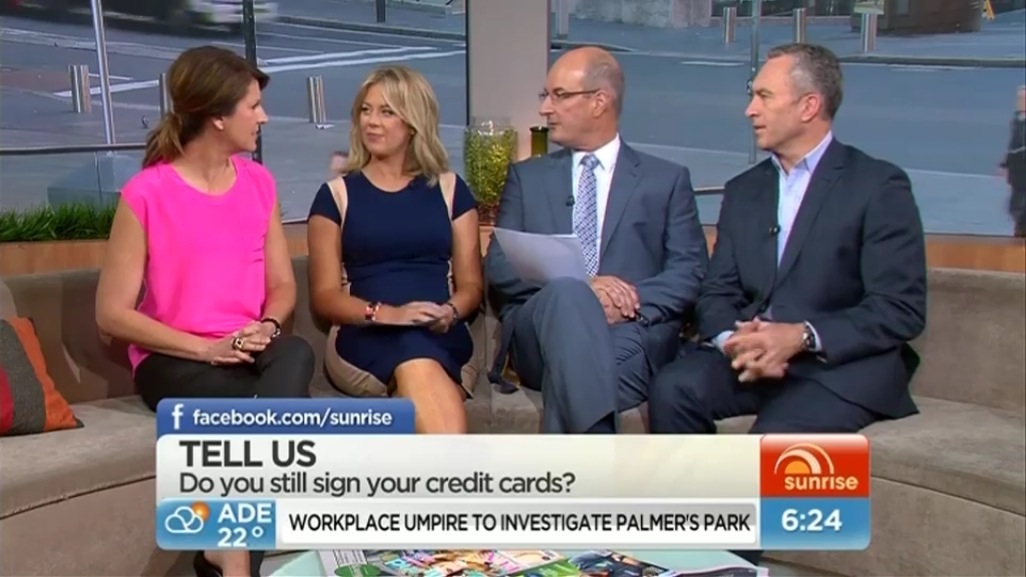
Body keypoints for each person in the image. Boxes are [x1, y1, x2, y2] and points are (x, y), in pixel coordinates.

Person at [648, 44, 927, 562]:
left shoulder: (877, 185)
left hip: (839, 367)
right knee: (673, 388)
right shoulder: (745, 190)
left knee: (773, 444)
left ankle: (727, 568)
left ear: (808, 106)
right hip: (755, 360)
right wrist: (735, 341)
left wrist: (800, 337)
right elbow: (717, 292)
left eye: (763, 96)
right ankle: (684, 551)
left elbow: (901, 308)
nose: (749, 109)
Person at [94, 45, 315, 577]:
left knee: (296, 353)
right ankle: (234, 560)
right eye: (253, 106)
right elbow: (111, 313)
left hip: (249, 348)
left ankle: (226, 553)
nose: (263, 117)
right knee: (272, 413)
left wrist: (265, 326)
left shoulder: (259, 184)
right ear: (218, 116)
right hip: (175, 359)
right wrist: (206, 349)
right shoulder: (146, 193)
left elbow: (282, 285)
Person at [483, 46, 708, 434]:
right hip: (540, 337)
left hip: (629, 332)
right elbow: (500, 265)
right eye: (546, 95)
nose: (545, 109)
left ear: (599, 101)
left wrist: (626, 301)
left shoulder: (665, 181)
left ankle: (584, 463)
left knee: (580, 372)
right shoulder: (527, 178)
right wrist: (585, 290)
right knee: (570, 293)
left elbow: (690, 272)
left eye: (559, 95)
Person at [306, 65, 482, 434]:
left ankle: (442, 466)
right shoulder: (335, 196)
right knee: (415, 355)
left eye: (387, 112)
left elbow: (471, 287)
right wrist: (389, 314)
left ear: (413, 123)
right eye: (365, 110)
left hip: (440, 330)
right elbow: (324, 297)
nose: (371, 122)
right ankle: (459, 467)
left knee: (420, 360)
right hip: (364, 333)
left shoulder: (451, 190)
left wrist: (450, 312)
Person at [999, 85, 1026, 237]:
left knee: (1020, 205)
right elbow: (1013, 144)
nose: (1020, 101)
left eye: (1023, 98)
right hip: (1017, 171)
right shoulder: (1016, 121)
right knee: (1015, 205)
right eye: (1019, 98)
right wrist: (1005, 164)